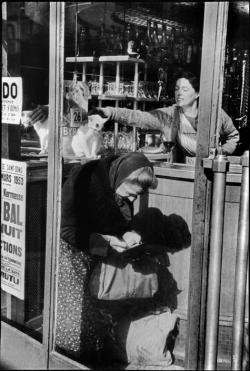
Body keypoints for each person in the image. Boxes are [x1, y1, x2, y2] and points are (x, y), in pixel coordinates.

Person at [56, 152, 158, 364]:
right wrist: (107, 243)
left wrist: (127, 234)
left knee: (97, 315)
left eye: (136, 197)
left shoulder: (117, 182)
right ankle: (69, 362)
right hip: (73, 253)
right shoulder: (84, 180)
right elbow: (65, 230)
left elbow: (118, 221)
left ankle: (93, 357)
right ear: (121, 179)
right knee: (75, 318)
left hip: (98, 256)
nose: (131, 200)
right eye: (130, 194)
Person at [91, 70, 240, 160]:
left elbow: (233, 136)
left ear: (197, 93)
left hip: (211, 172)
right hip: (184, 172)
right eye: (177, 89)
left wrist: (221, 152)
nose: (179, 93)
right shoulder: (170, 114)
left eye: (185, 89)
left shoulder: (216, 114)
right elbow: (138, 117)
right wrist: (110, 112)